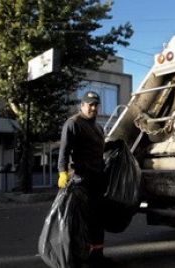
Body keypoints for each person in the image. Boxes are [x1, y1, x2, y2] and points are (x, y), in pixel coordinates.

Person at [58, 91, 112, 267]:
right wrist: (62, 172)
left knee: (98, 219)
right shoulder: (73, 123)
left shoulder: (98, 128)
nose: (93, 108)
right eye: (90, 104)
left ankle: (97, 255)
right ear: (82, 105)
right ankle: (79, 257)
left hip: (97, 179)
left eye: (96, 105)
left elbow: (98, 152)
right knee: (81, 220)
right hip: (81, 180)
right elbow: (64, 151)